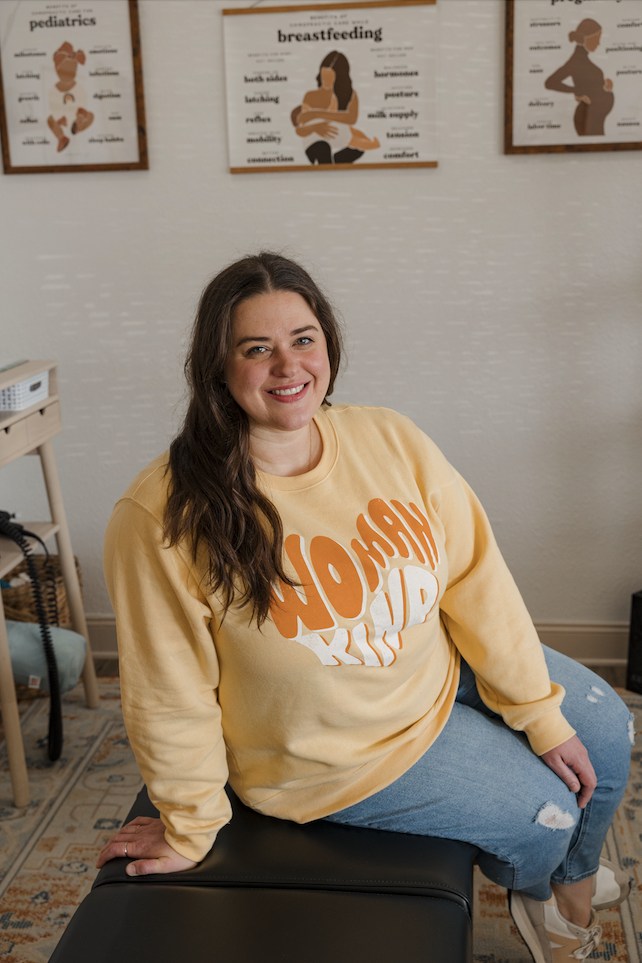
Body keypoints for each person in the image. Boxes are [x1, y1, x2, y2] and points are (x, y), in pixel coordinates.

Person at [99, 252, 632, 962]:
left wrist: (535, 708)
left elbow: (476, 579)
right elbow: (167, 692)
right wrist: (190, 822)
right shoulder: (161, 513)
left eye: (304, 338)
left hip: (429, 667)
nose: (288, 365)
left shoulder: (389, 437)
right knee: (550, 813)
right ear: (217, 367)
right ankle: (548, 898)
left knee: (606, 727)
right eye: (256, 349)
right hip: (334, 755)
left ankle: (567, 880)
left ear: (328, 343)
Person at [292, 51, 379, 165]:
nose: (325, 80)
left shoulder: (350, 95)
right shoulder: (310, 96)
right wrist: (315, 128)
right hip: (316, 143)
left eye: (329, 76)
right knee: (323, 148)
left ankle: (335, 166)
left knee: (359, 149)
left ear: (339, 76)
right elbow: (300, 129)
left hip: (340, 141)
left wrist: (316, 114)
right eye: (323, 74)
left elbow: (351, 119)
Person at [545, 19, 614, 137]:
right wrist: (576, 90)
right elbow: (550, 82)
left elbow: (588, 83)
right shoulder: (575, 62)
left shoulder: (582, 61)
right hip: (588, 117)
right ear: (586, 38)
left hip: (593, 117)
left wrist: (603, 84)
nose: (598, 43)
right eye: (597, 39)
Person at [47, 42, 94, 153]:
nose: (68, 75)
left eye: (71, 71)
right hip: (62, 118)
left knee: (90, 115)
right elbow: (53, 106)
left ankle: (78, 126)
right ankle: (62, 138)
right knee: (50, 119)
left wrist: (79, 116)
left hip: (77, 116)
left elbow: (83, 102)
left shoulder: (78, 87)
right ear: (57, 72)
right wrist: (60, 118)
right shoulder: (54, 90)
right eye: (64, 71)